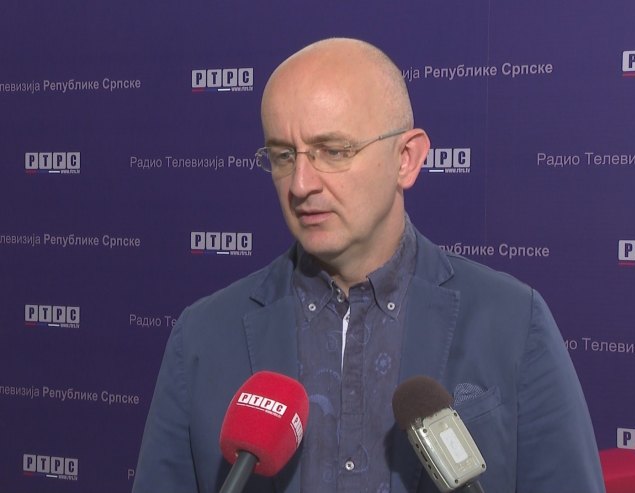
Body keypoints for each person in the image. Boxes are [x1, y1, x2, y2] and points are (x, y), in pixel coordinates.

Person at [133, 38, 605, 493]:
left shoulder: (513, 322)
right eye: (283, 156)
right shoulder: (203, 337)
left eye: (333, 151)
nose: (300, 184)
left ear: (406, 159)